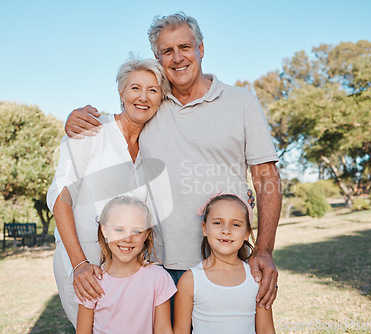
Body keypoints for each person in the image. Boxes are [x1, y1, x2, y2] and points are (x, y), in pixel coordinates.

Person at [64, 12, 282, 310]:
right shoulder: (151, 105)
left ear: (201, 49)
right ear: (158, 57)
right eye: (167, 51)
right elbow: (116, 129)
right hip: (158, 266)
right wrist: (77, 120)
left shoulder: (242, 102)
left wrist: (265, 249)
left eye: (185, 47)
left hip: (228, 260)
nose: (177, 57)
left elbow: (267, 178)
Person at [47, 56, 171, 328]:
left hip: (129, 268)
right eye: (135, 88)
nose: (143, 97)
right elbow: (60, 197)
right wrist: (79, 264)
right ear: (121, 93)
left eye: (153, 90)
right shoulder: (91, 130)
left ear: (161, 98)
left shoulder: (152, 144)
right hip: (84, 263)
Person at [173, 194, 275, 334]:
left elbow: (266, 330)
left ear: (246, 233)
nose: (226, 230)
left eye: (235, 224)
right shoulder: (190, 280)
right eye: (217, 223)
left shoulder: (256, 278)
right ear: (204, 228)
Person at [76, 196, 176, 334]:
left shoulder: (158, 278)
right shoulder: (92, 281)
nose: (127, 238)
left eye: (136, 231)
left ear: (146, 234)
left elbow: (163, 330)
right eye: (119, 230)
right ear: (104, 231)